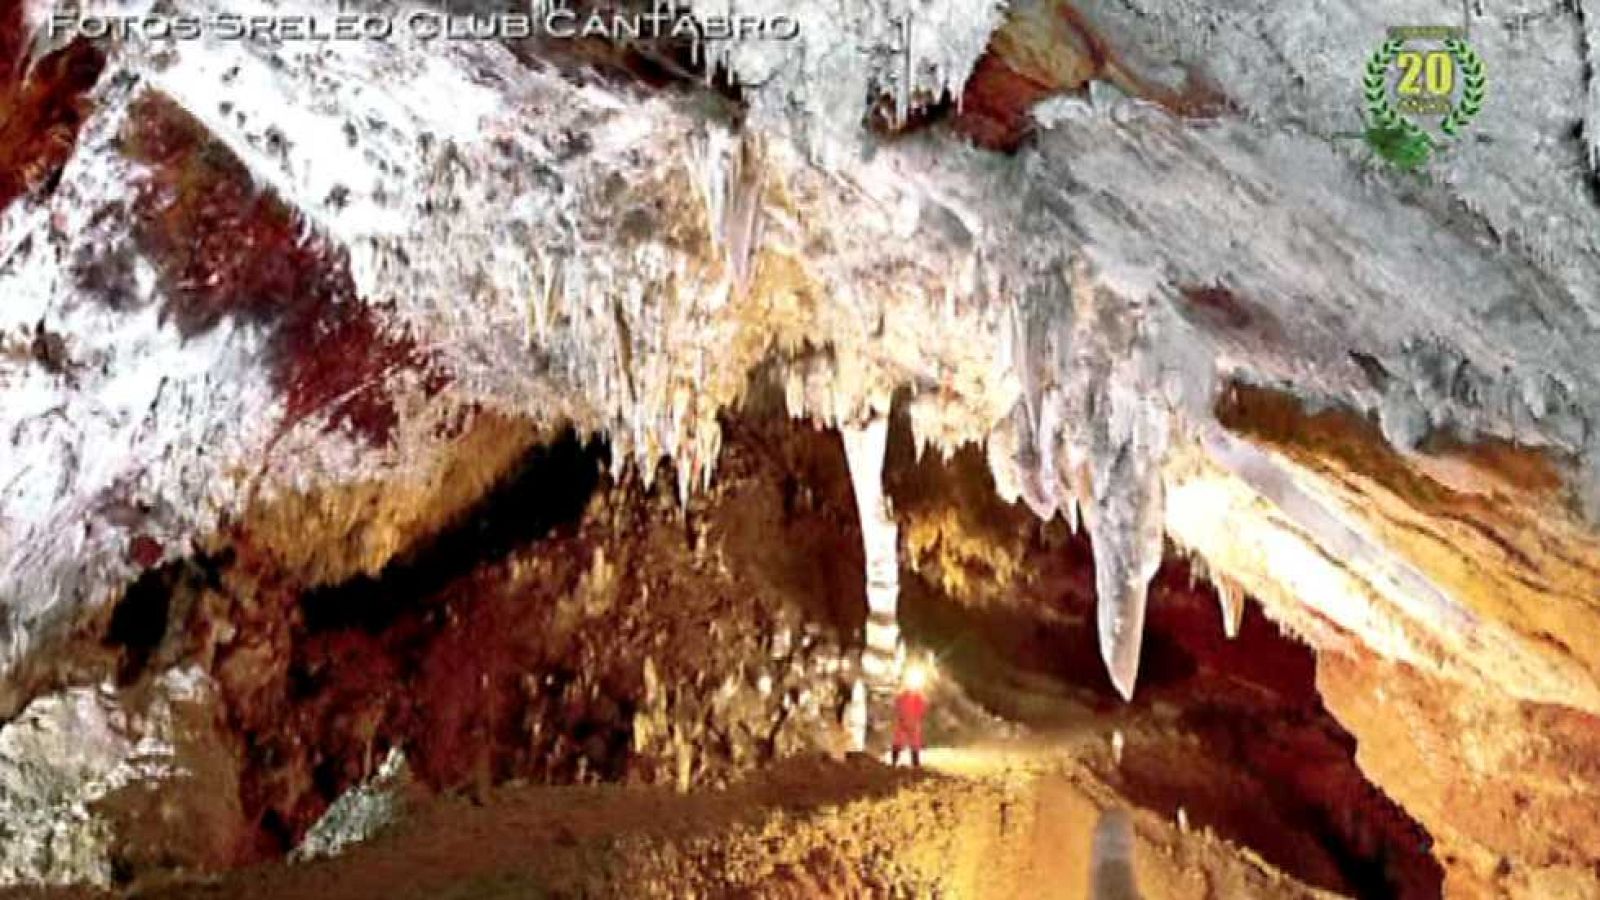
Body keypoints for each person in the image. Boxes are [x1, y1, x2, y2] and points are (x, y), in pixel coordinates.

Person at [890, 663, 928, 767]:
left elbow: (923, 708)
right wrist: (901, 717)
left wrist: (917, 718)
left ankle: (915, 764)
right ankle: (894, 762)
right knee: (898, 742)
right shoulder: (902, 696)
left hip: (913, 722)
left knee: (914, 744)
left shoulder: (919, 697)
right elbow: (896, 706)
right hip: (903, 721)